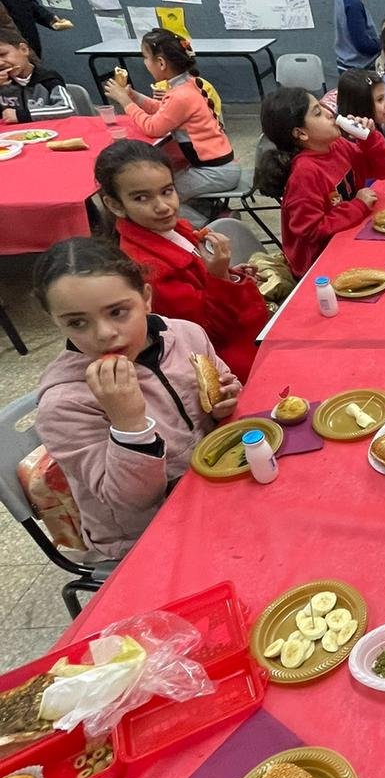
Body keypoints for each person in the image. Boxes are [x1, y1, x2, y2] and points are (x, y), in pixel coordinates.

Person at [34, 238, 240, 562]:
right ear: (56, 321)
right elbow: (133, 501)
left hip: (214, 487)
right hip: (143, 537)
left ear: (145, 298)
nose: (104, 334)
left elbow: (221, 401)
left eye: (117, 312)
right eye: (77, 322)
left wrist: (225, 400)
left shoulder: (187, 336)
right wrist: (128, 424)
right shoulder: (63, 404)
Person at [96, 141, 267, 383]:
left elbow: (198, 281)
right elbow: (205, 333)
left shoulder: (175, 228)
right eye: (142, 198)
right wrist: (219, 279)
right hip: (229, 364)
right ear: (115, 205)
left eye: (167, 191)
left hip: (249, 331)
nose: (163, 206)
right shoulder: (147, 270)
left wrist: (228, 275)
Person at [102, 29, 241, 224]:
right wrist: (135, 97)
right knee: (168, 183)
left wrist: (126, 103)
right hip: (217, 168)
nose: (145, 63)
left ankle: (208, 228)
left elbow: (153, 127)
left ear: (160, 63)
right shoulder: (188, 85)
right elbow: (163, 111)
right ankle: (212, 214)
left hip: (215, 172)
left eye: (145, 57)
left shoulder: (181, 95)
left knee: (161, 196)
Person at [255, 88, 385, 277]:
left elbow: (382, 170)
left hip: (350, 233)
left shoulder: (337, 146)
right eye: (318, 112)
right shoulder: (305, 173)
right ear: (301, 133)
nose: (330, 113)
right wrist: (358, 206)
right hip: (320, 263)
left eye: (323, 106)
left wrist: (369, 138)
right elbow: (311, 230)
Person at [320, 67, 385, 155]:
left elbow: (383, 157)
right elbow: (375, 164)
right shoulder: (350, 147)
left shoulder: (374, 125)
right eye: (380, 100)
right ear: (361, 106)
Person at [0, 26, 73, 121]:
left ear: (24, 50)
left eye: (3, 54)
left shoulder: (47, 79)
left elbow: (68, 108)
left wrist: (22, 115)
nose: (0, 63)